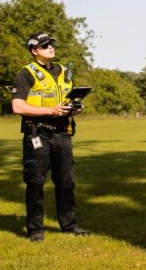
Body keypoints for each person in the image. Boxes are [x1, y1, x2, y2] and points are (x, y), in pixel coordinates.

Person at [11, 32, 89, 242]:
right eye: (45, 46)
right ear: (34, 50)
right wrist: (50, 111)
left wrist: (74, 108)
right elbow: (17, 106)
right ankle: (35, 230)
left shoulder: (63, 71)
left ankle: (70, 226)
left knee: (66, 181)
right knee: (35, 182)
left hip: (63, 133)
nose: (50, 48)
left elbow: (67, 98)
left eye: (51, 44)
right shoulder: (26, 73)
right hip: (38, 133)